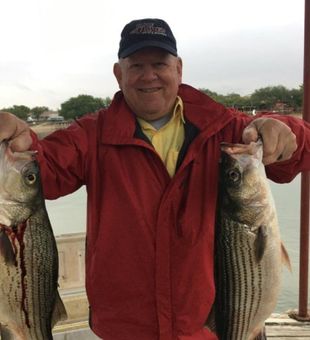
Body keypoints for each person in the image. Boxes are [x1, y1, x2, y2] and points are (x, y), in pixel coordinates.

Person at [0, 18, 309, 340]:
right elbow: (40, 173)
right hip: (126, 328)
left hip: (214, 325)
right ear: (119, 74)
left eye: (159, 63)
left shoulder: (229, 130)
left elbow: (300, 151)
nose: (149, 76)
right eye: (136, 66)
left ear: (179, 69)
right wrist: (18, 139)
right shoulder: (90, 135)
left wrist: (289, 133)